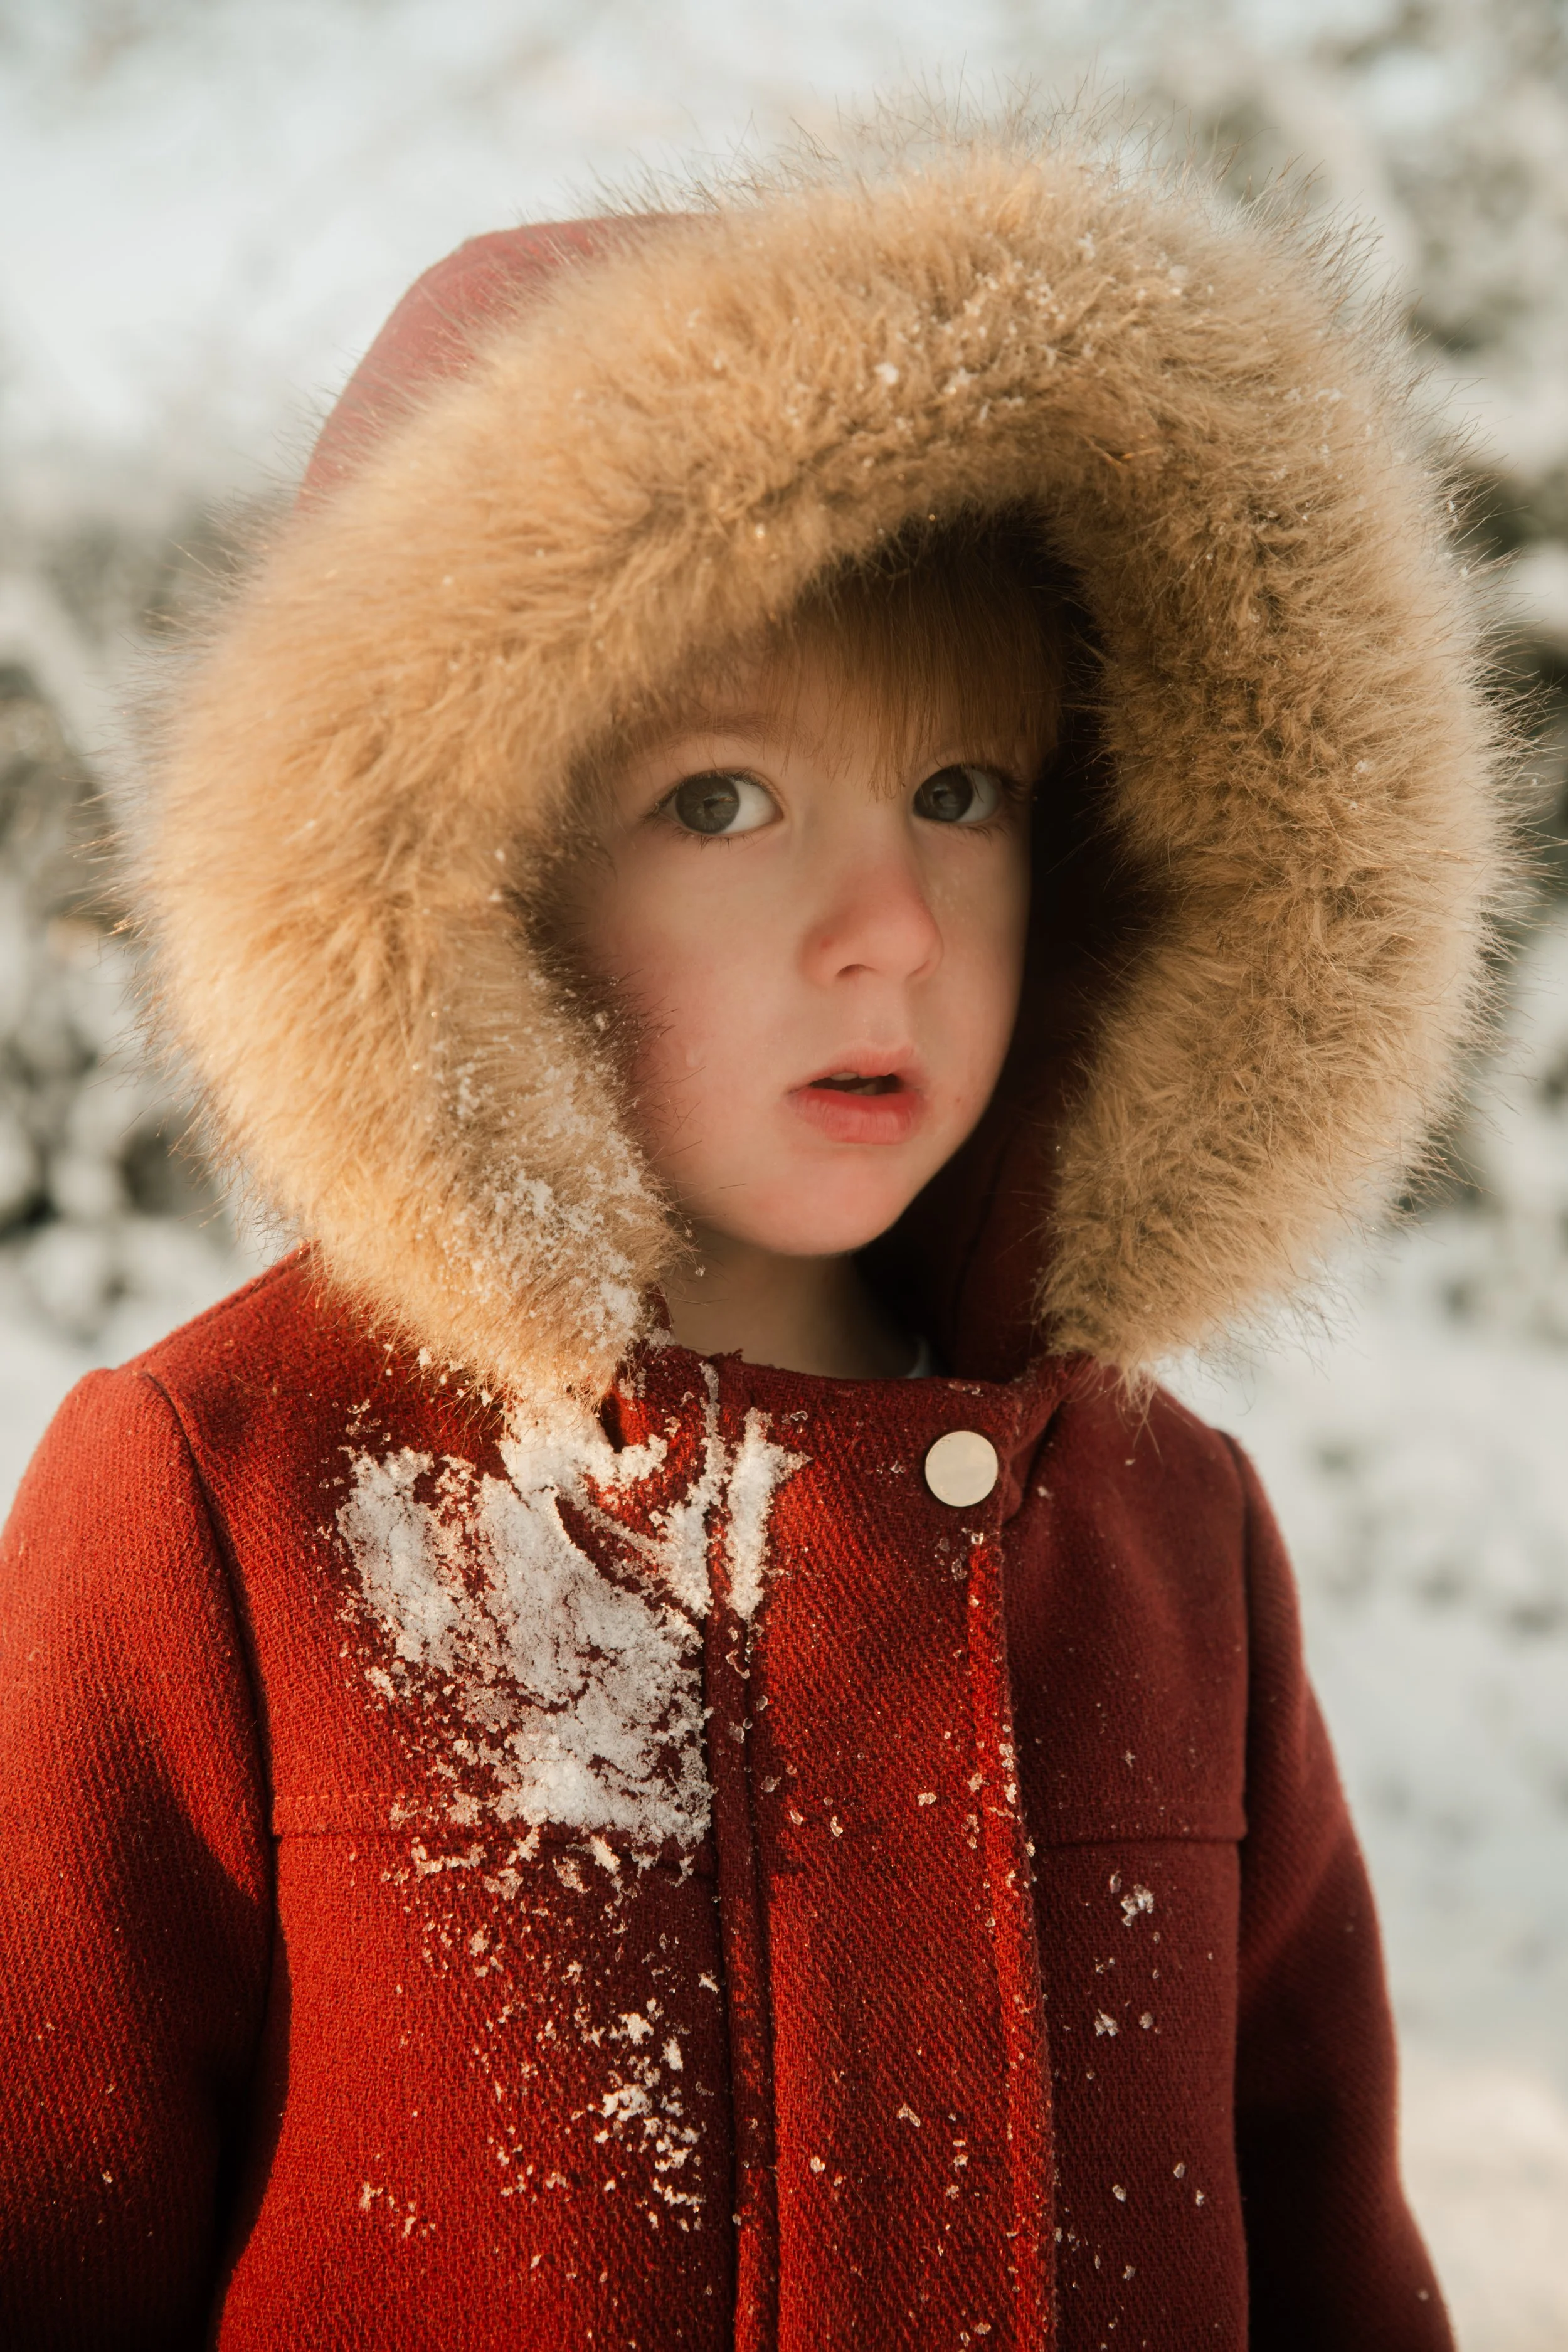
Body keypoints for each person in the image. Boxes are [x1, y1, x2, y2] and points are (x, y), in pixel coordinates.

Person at [0, 129, 1496, 2350]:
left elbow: (1329, 2258)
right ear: (478, 866)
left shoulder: (1165, 1530)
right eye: (719, 800)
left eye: (957, 793)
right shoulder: (228, 1504)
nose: (881, 927)